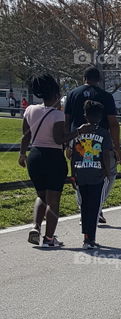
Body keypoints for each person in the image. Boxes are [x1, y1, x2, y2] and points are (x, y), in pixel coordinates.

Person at [64, 66, 121, 225]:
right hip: (100, 140)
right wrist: (117, 148)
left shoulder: (72, 94)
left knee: (79, 173)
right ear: (99, 80)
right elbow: (113, 123)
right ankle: (96, 207)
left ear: (84, 78)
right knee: (108, 174)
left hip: (77, 139)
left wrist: (66, 144)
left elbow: (67, 120)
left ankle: (85, 209)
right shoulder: (106, 96)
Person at [18, 74, 68, 249]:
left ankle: (36, 227)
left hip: (35, 156)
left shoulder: (30, 109)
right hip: (53, 158)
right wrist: (78, 132)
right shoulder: (57, 115)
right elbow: (58, 139)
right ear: (55, 94)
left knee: (41, 195)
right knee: (53, 199)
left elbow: (26, 135)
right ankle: (49, 238)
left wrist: (22, 154)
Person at [68, 100, 114, 250]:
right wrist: (107, 172)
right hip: (97, 174)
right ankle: (90, 239)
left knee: (85, 206)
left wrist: (72, 173)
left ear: (85, 115)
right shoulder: (103, 133)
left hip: (80, 173)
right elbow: (106, 154)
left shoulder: (78, 132)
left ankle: (86, 237)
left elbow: (73, 155)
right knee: (94, 208)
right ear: (100, 117)